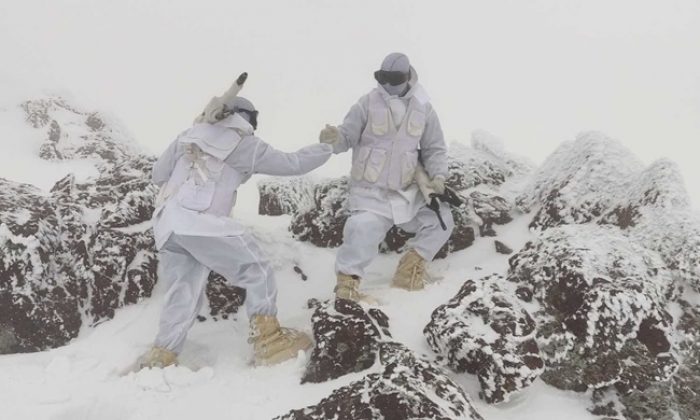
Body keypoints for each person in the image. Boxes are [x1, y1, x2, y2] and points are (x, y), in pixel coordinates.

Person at [141, 95, 333, 368]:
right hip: (202, 225)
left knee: (183, 291)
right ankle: (269, 341)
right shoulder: (244, 143)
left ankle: (162, 353)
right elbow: (293, 164)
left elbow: (159, 175)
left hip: (168, 226)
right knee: (257, 268)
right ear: (248, 118)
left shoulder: (188, 135)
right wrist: (327, 147)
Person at [319, 52, 454, 302]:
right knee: (361, 228)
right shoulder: (366, 103)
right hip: (370, 192)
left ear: (406, 77)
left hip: (406, 193)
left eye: (393, 79)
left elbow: (434, 148)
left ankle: (409, 269)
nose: (388, 85)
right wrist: (333, 138)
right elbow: (346, 137)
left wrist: (438, 178)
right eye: (382, 78)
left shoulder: (424, 108)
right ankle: (347, 284)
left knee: (442, 220)